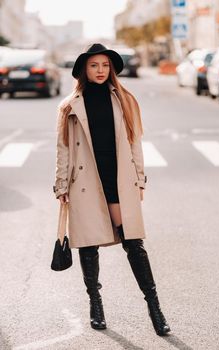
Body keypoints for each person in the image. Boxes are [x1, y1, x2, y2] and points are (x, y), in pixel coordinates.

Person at [53, 43, 171, 336]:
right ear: (84, 69)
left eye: (105, 65)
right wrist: (61, 185)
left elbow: (135, 142)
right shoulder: (70, 104)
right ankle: (95, 303)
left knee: (133, 242)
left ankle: (154, 307)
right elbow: (63, 148)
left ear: (112, 69)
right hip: (85, 182)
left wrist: (140, 179)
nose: (101, 71)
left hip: (118, 179)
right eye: (94, 66)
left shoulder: (124, 100)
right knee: (89, 245)